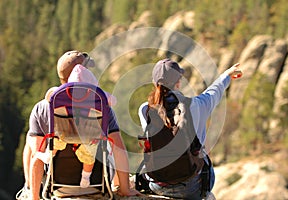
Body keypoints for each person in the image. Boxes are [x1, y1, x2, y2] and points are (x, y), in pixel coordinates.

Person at [16, 50, 141, 200]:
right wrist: (126, 190)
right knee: (109, 142)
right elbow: (119, 148)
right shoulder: (102, 106)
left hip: (59, 187)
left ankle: (29, 190)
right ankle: (117, 185)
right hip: (96, 185)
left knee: (33, 142)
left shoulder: (43, 107)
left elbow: (38, 155)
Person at [138, 58, 242, 199]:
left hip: (157, 184)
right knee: (204, 159)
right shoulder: (195, 105)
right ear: (178, 83)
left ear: (155, 83)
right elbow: (214, 92)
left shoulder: (145, 110)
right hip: (190, 188)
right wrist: (226, 75)